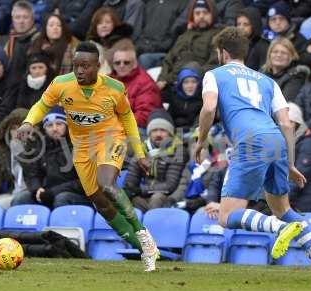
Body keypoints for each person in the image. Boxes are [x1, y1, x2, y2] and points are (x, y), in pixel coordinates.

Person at [194, 26, 311, 279]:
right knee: (283, 208)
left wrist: (201, 140)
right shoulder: (268, 81)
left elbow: (209, 107)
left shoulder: (214, 75)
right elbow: (286, 123)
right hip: (277, 141)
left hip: (249, 141)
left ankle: (279, 229)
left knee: (226, 216)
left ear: (222, 53)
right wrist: (289, 163)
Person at [16, 41, 159, 272]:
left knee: (107, 186)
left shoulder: (114, 88)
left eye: (85, 66)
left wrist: (140, 153)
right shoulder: (61, 85)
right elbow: (41, 106)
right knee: (101, 204)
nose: (80, 71)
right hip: (82, 147)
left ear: (98, 65)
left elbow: (129, 120)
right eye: (76, 66)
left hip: (112, 139)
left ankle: (143, 234)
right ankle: (147, 251)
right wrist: (27, 122)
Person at [11, 107, 92, 209]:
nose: (54, 128)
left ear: (67, 126)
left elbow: (84, 183)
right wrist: (37, 189)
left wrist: (53, 192)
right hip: (48, 194)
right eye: (50, 125)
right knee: (21, 199)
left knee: (61, 198)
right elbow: (33, 174)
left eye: (59, 124)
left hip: (79, 196)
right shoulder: (41, 147)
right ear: (45, 129)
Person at [124, 109, 187, 212]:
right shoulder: (142, 150)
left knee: (157, 197)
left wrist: (141, 190)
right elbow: (132, 176)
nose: (158, 134)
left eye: (163, 130)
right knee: (131, 200)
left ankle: (154, 227)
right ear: (149, 133)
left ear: (170, 133)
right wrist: (128, 190)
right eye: (154, 130)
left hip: (167, 196)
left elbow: (170, 185)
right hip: (145, 194)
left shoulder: (178, 150)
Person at [110, 39, 162, 130]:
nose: (121, 66)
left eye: (126, 62)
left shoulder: (146, 83)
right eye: (117, 63)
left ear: (135, 64)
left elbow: (144, 116)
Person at [287, 102, 311, 213]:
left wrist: (277, 201)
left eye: (290, 121)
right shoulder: (288, 142)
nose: (285, 125)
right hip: (291, 200)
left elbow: (298, 179)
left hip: (305, 204)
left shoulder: (309, 144)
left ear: (297, 124)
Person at [261, 37, 310, 102]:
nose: (278, 55)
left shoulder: (296, 76)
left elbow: (285, 103)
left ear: (291, 56)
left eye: (283, 53)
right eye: (275, 52)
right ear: (269, 54)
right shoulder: (262, 72)